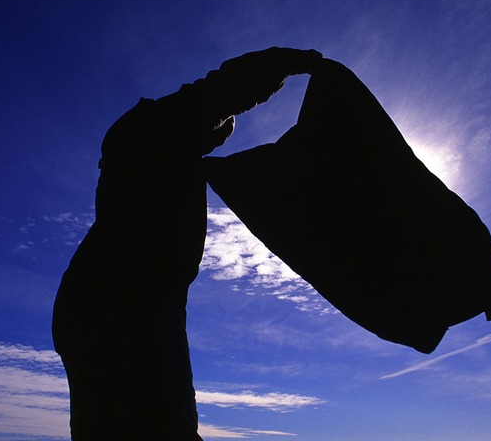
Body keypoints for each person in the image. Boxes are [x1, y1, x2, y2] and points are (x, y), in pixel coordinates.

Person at [51, 48, 322, 440]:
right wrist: (294, 61)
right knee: (162, 423)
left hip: (91, 301)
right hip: (129, 300)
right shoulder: (157, 129)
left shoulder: (144, 150)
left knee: (106, 425)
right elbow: (223, 88)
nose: (216, 138)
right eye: (214, 131)